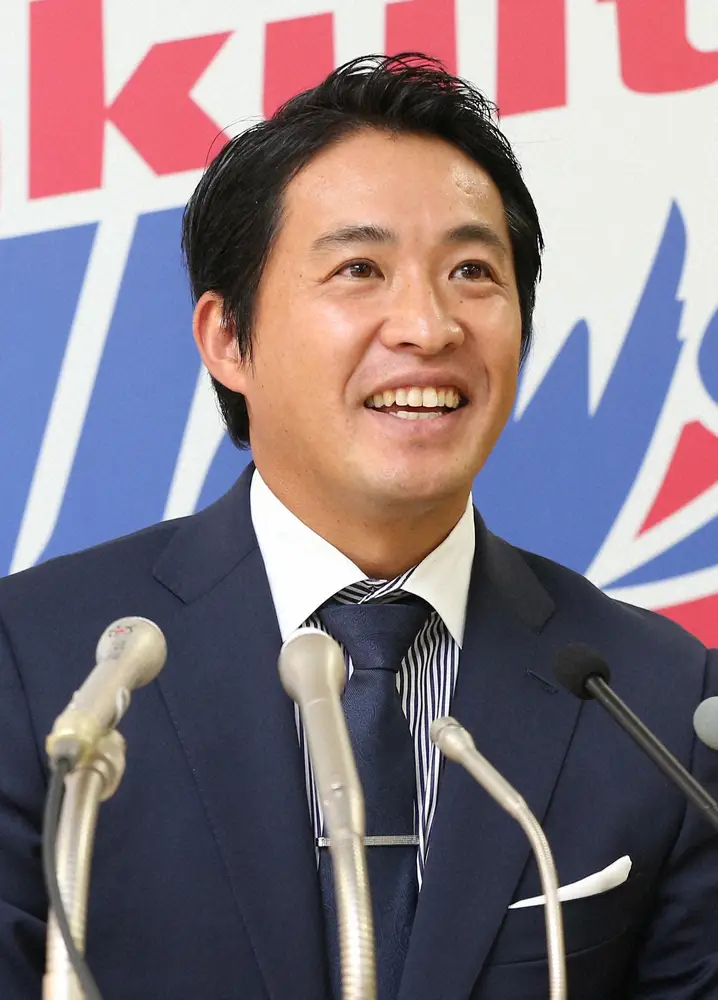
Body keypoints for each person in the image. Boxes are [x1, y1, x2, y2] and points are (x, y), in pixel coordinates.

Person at [0, 53, 716, 1000]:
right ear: (228, 339)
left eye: (472, 271)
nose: (427, 326)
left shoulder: (657, 701)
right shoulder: (42, 665)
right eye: (359, 269)